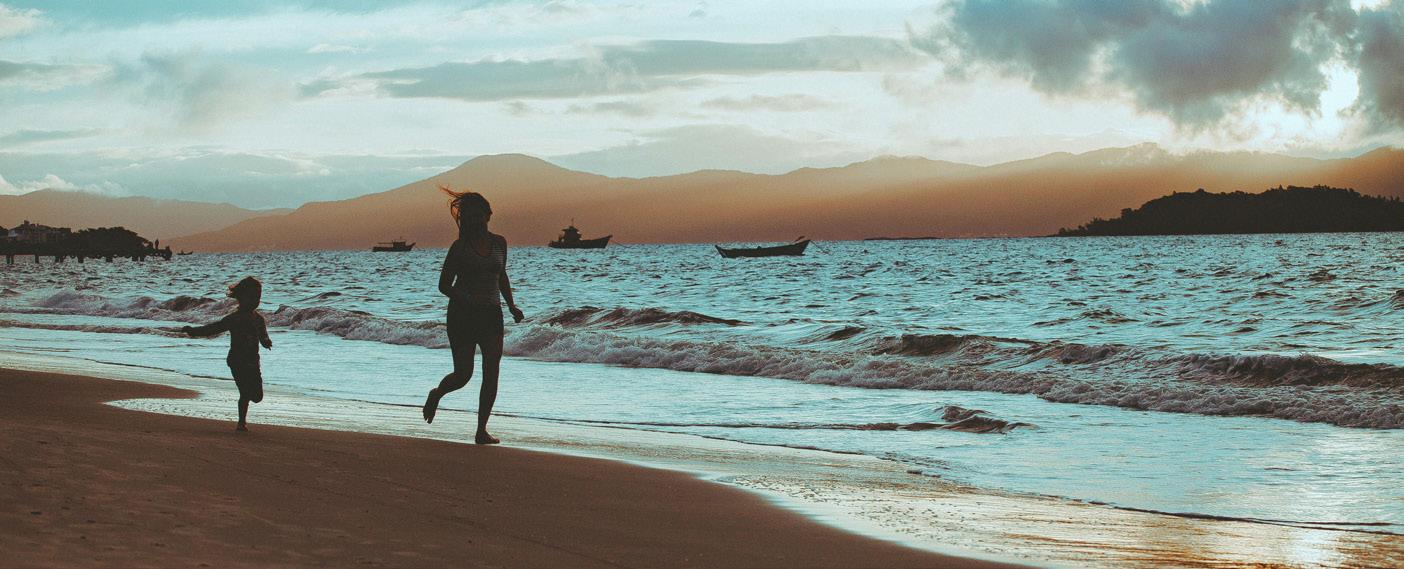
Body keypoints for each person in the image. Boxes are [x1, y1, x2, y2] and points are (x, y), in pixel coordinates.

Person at [423, 187, 524, 444]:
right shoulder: (460, 247)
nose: (475, 221)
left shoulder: (500, 243)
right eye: (470, 217)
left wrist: (512, 306)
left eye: (479, 215)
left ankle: (481, 430)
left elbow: (501, 276)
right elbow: (444, 285)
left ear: (488, 215)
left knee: (492, 372)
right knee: (463, 375)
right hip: (463, 316)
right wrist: (468, 298)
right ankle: (437, 393)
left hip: (492, 315)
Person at [183, 276, 273, 432]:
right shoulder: (233, 319)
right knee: (244, 392)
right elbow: (213, 329)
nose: (255, 301)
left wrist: (266, 342)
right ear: (241, 297)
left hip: (253, 362)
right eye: (251, 297)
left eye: (257, 298)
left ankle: (243, 417)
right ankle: (241, 423)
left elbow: (263, 335)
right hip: (237, 361)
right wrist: (193, 331)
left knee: (257, 397)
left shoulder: (259, 319)